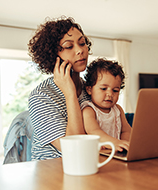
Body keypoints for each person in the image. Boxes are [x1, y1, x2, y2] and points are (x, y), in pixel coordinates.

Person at [28, 16, 92, 160]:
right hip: (52, 173)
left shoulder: (90, 88)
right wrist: (70, 93)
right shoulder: (40, 97)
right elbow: (75, 149)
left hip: (89, 164)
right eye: (69, 46)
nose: (80, 50)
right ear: (53, 55)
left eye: (82, 43)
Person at [81, 58, 132, 152]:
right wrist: (115, 143)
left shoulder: (118, 110)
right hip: (99, 155)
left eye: (115, 90)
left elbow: (126, 131)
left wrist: (124, 144)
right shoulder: (89, 110)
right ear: (89, 89)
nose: (110, 94)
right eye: (104, 89)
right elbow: (94, 132)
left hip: (116, 152)